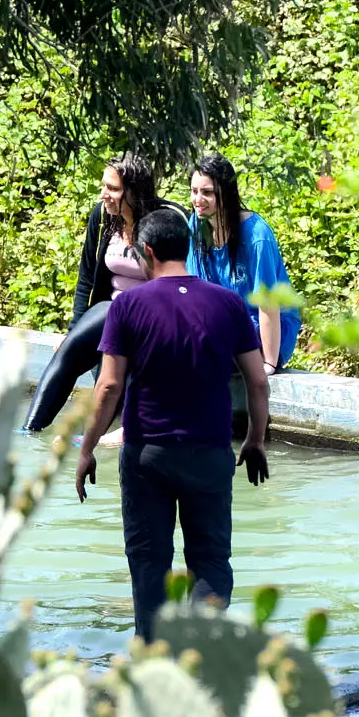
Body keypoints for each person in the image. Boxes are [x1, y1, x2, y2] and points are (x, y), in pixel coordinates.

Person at [73, 207, 271, 637]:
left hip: (149, 455)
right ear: (187, 247)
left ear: (146, 251)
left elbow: (108, 387)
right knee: (211, 563)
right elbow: (258, 382)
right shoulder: (228, 303)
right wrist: (254, 441)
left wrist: (87, 449)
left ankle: (153, 665)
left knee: (150, 566)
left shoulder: (127, 305)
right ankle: (203, 657)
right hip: (211, 451)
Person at [25, 155, 166, 430]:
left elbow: (170, 282)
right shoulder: (102, 217)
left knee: (113, 315)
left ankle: (92, 435)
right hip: (108, 316)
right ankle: (30, 429)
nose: (104, 195)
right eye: (104, 186)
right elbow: (86, 278)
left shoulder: (160, 222)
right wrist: (76, 328)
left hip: (147, 317)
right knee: (73, 350)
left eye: (112, 189)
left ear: (134, 190)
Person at [187, 151, 301, 370]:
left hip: (265, 328)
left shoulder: (257, 236)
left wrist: (269, 362)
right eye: (194, 191)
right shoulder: (195, 225)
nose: (198, 200)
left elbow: (268, 304)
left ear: (226, 194)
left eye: (207, 192)